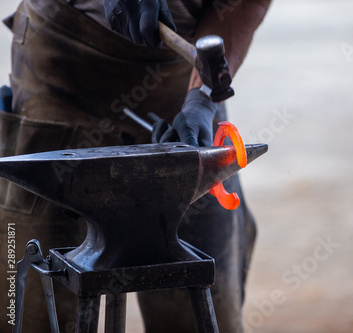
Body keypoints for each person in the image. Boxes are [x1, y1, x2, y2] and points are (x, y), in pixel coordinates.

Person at [0, 0, 271, 332]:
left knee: (206, 304)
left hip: (179, 76)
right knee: (33, 309)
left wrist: (201, 96)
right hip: (64, 58)